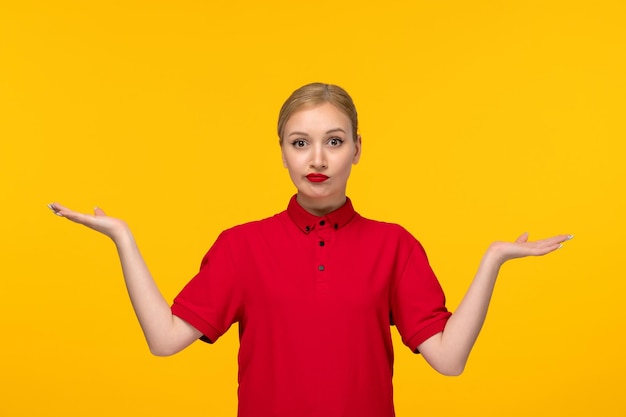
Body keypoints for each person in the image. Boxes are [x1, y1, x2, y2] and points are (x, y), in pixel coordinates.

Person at [49, 82, 572, 417]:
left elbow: (450, 359)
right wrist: (124, 238)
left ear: (357, 149)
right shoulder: (241, 246)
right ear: (282, 152)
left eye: (334, 141)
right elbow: (164, 340)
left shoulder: (394, 245)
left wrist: (492, 261)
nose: (317, 158)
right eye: (300, 142)